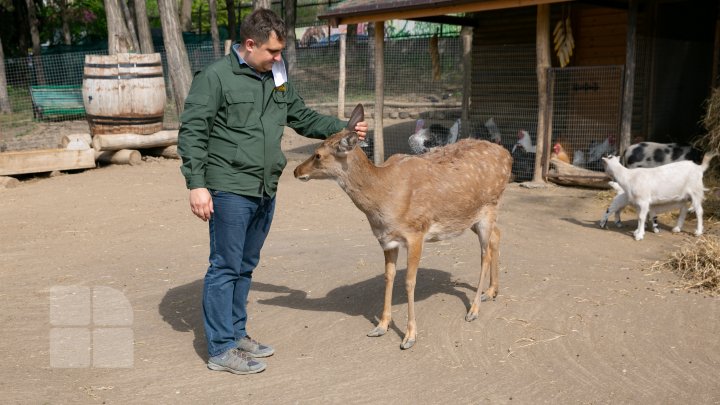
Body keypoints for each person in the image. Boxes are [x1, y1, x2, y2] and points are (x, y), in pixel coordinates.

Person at [177, 8, 368, 375]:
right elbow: (192, 133)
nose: (279, 58)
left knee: (245, 266)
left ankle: (235, 333)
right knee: (225, 267)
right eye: (272, 52)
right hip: (230, 186)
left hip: (265, 186)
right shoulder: (215, 78)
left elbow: (301, 116)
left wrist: (341, 128)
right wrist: (197, 184)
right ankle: (220, 349)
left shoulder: (275, 75)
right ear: (250, 45)